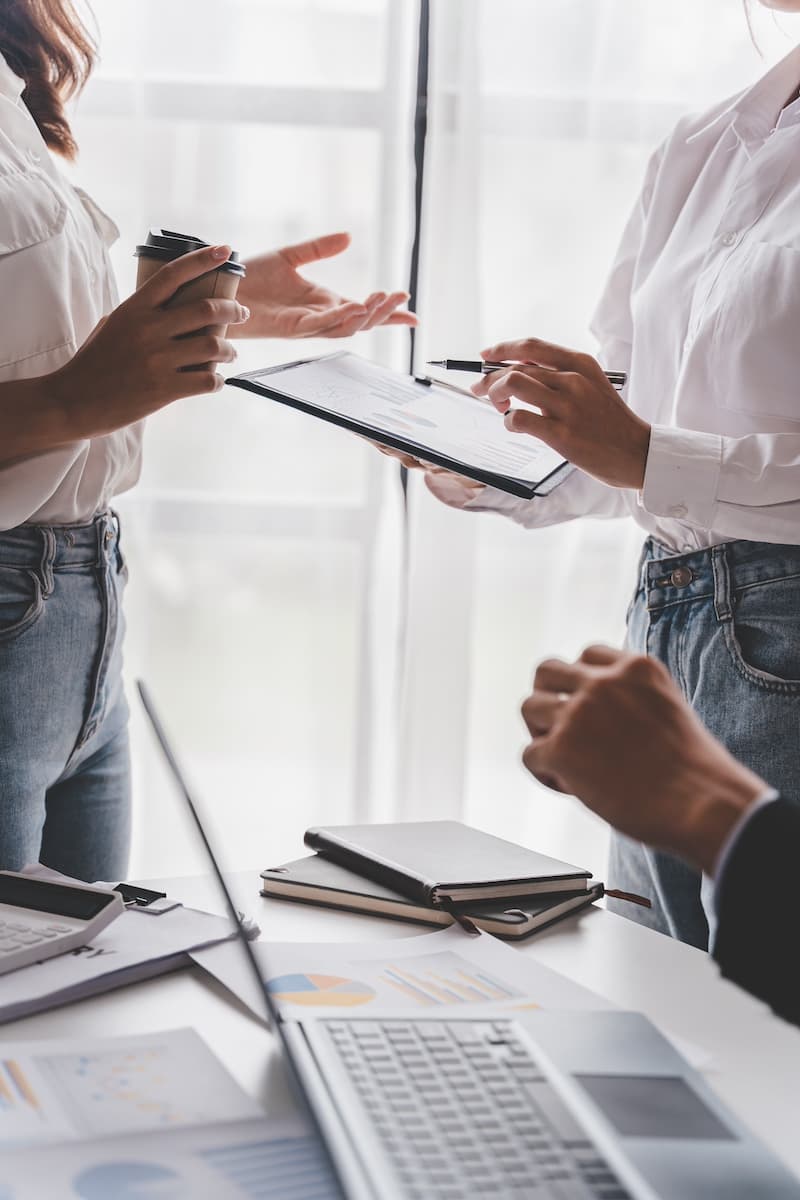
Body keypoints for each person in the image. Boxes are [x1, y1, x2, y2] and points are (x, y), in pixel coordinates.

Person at [386, 2, 800, 950]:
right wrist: (484, 455)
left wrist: (646, 456)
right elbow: (634, 443)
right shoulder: (702, 144)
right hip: (666, 625)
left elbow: (652, 457)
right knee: (659, 985)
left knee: (771, 998)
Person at [0, 1, 415, 883]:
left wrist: (218, 307)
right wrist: (72, 399)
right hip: (20, 597)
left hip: (82, 609)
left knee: (92, 968)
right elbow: (65, 387)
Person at [519, 644, 800, 1028]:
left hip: (774, 633)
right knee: (645, 1019)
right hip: (654, 630)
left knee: (762, 1031)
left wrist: (713, 808)